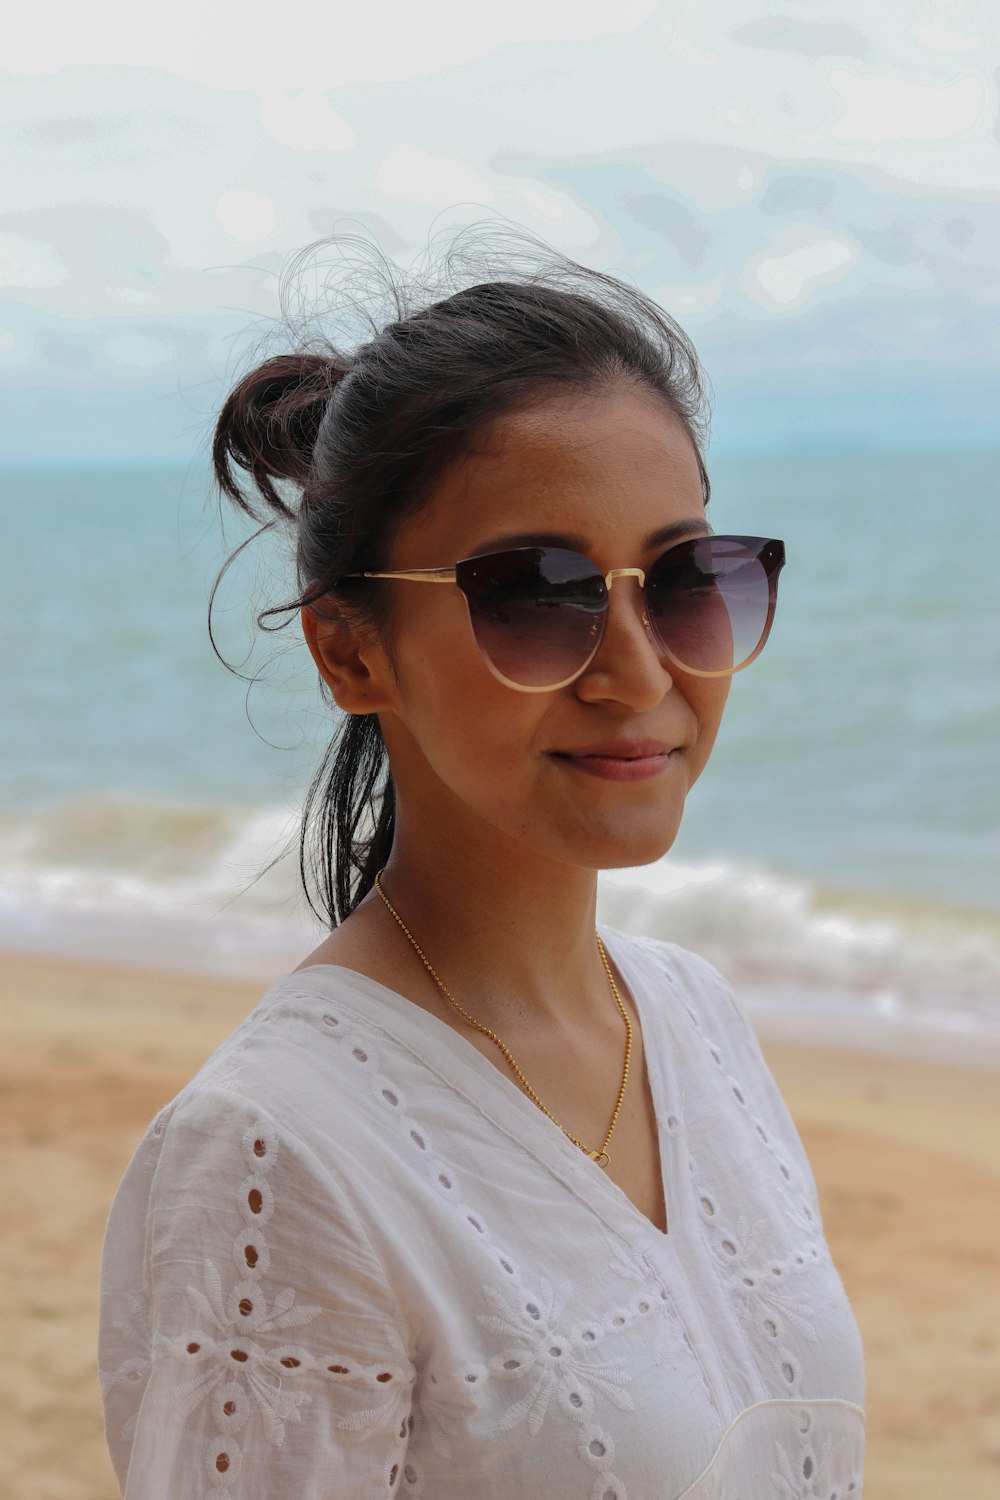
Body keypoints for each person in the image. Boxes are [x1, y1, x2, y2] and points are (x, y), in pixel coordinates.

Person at [98, 234, 866, 1498]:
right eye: (537, 592)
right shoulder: (274, 1150)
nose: (637, 670)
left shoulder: (693, 1019)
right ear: (351, 655)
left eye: (682, 581)